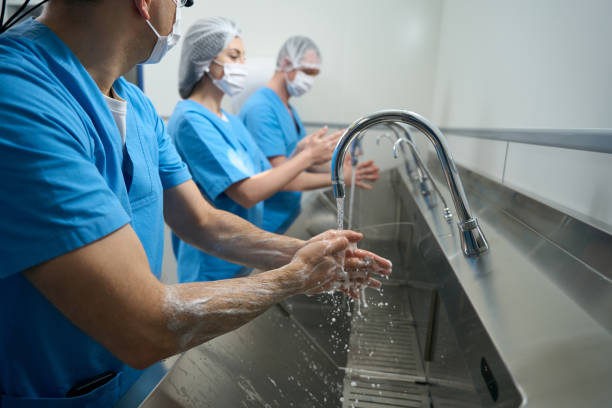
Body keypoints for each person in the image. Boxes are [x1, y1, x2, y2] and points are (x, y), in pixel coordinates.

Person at [0, 0, 391, 405]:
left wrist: (305, 252)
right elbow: (144, 324)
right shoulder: (17, 96)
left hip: (135, 379)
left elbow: (203, 220)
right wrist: (293, 278)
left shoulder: (137, 106)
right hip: (55, 393)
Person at [169, 18, 373, 283]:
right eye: (234, 56)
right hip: (212, 262)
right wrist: (307, 158)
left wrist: (302, 152)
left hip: (240, 252)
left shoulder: (230, 122)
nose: (242, 65)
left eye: (243, 57)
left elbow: (268, 175)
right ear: (204, 60)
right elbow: (247, 193)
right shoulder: (191, 120)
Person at [240, 36, 380, 234]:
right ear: (287, 64)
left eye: (314, 74)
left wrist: (339, 166)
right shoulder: (261, 109)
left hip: (284, 219)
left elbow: (303, 162)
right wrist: (339, 179)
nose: (310, 80)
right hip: (265, 222)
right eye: (307, 72)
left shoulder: (288, 109)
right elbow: (283, 178)